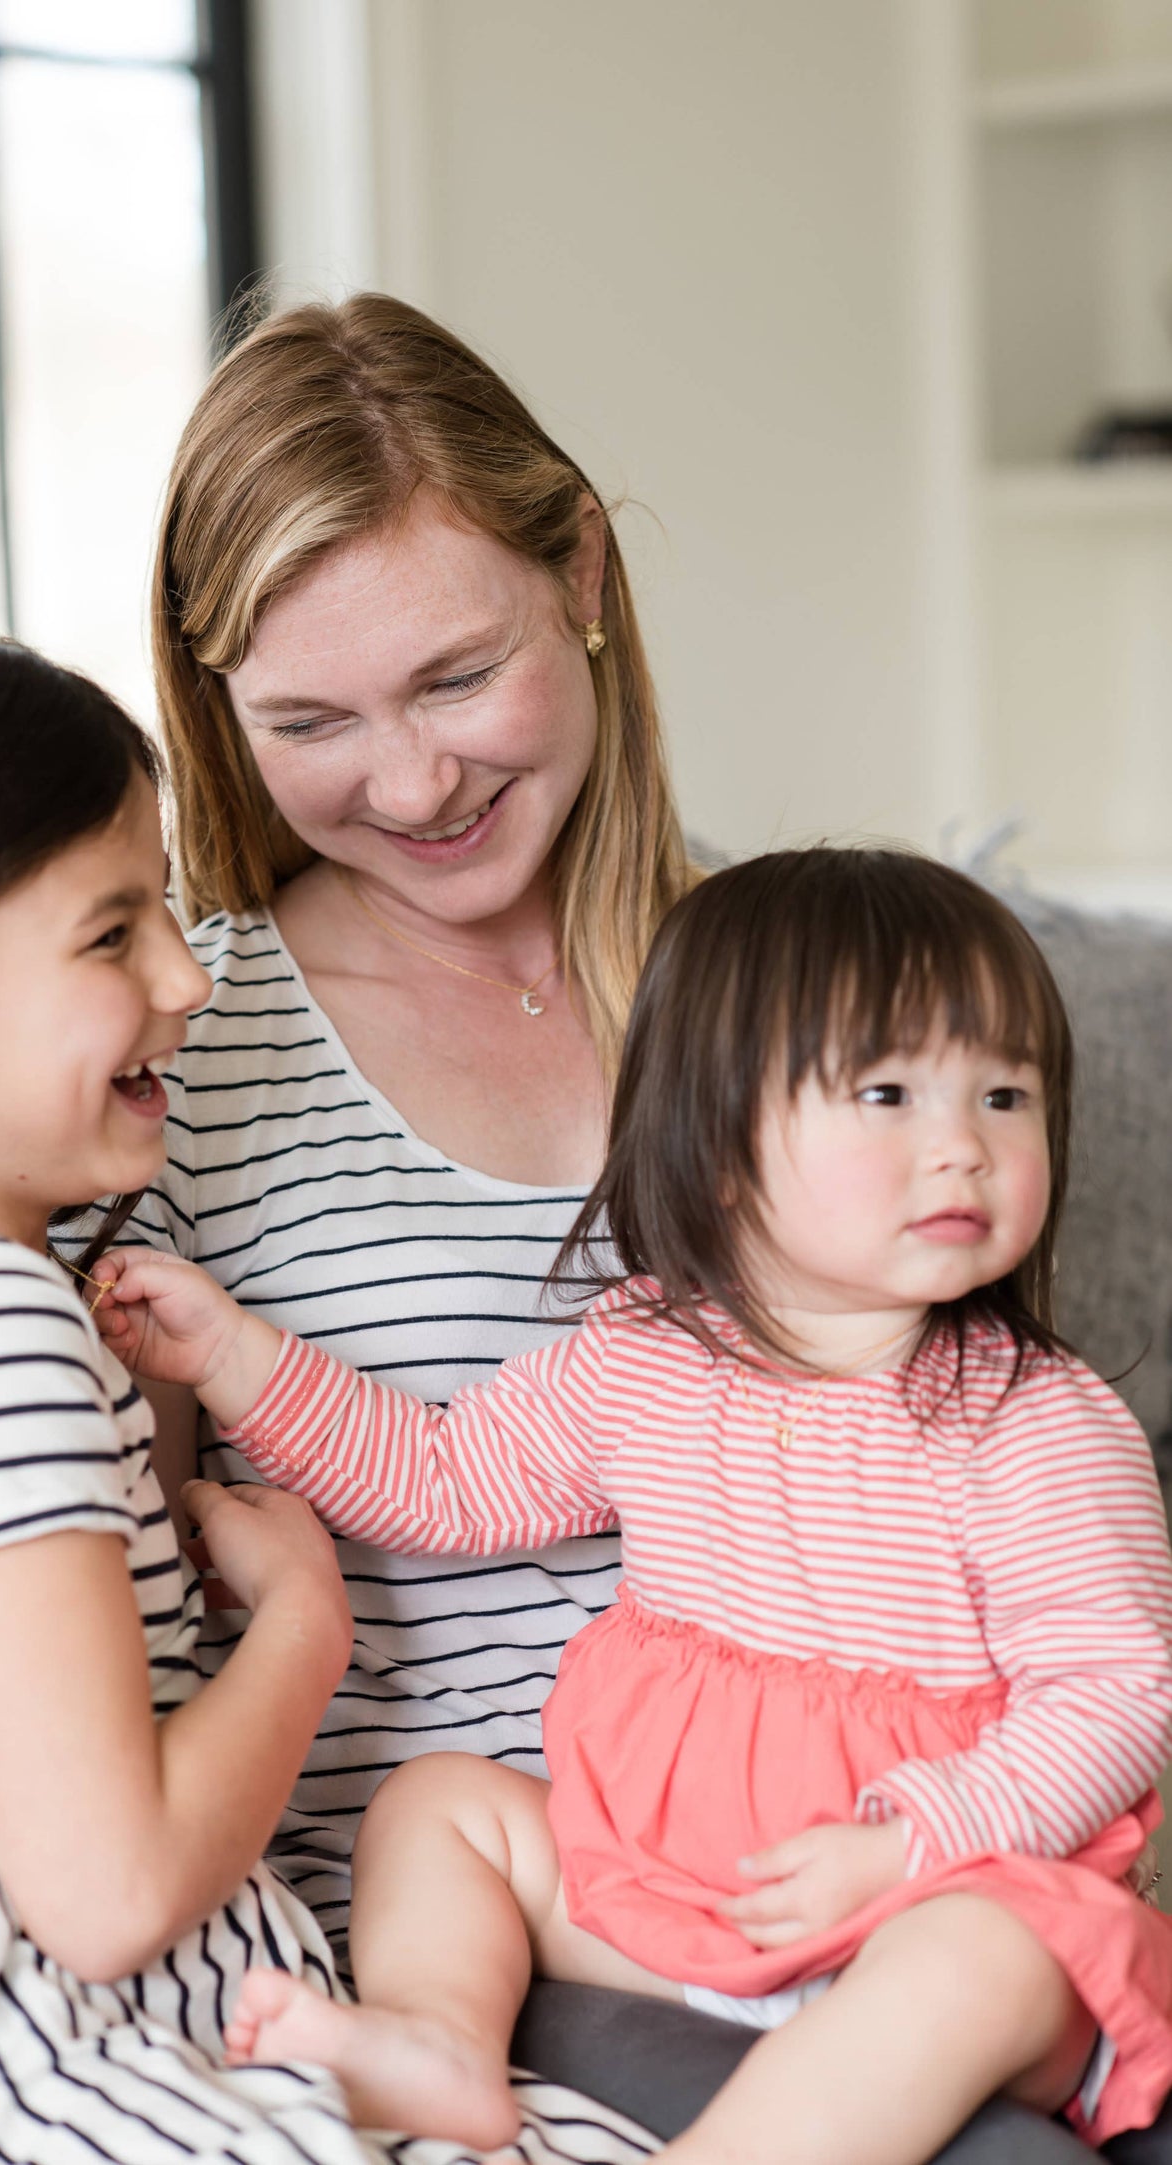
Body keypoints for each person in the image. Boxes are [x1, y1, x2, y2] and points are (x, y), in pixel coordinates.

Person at [90, 847, 1172, 2163]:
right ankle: (435, 2037)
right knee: (438, 1806)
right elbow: (442, 1481)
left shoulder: (1033, 1419)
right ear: (713, 1144)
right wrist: (234, 1359)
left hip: (921, 1901)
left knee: (982, 1959)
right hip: (663, 1901)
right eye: (886, 1091)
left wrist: (913, 1843)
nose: (962, 1144)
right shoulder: (640, 1356)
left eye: (1003, 1092)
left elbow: (1114, 1692)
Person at [0, 627, 651, 2165]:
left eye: (165, 905)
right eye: (110, 936)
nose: (183, 976)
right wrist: (305, 1625)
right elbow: (107, 1891)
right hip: (32, 2056)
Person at [115, 290, 689, 1966]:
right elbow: (107, 1646)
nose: (414, 784)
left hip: (822, 1879)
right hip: (423, 1949)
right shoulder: (172, 1048)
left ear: (579, 574)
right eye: (309, 722)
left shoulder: (796, 994)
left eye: (455, 677)